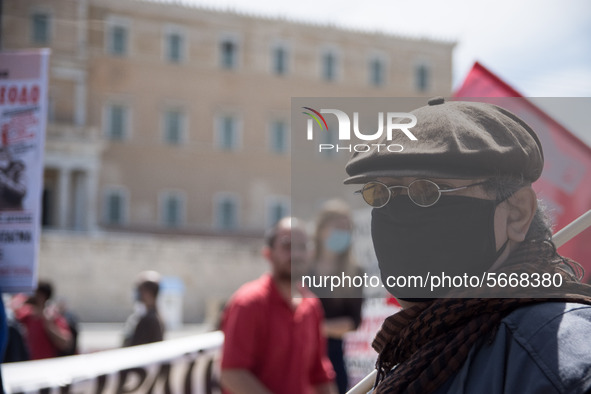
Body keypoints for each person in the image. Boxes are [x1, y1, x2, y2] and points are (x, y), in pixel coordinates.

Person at [343, 97, 591, 393]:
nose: (398, 215)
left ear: (517, 212)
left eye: (429, 191)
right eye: (379, 193)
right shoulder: (419, 350)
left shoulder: (561, 363)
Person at [220, 217, 337, 394]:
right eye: (287, 246)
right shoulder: (248, 303)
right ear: (268, 253)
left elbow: (319, 374)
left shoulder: (312, 306)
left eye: (302, 247)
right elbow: (232, 373)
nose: (296, 254)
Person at [310, 200, 363, 393]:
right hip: (298, 357)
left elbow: (353, 322)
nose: (344, 233)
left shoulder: (354, 272)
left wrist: (310, 326)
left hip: (333, 361)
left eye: (347, 228)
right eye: (339, 227)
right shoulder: (301, 268)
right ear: (322, 229)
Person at [14, 280, 73, 360]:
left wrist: (49, 326)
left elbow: (66, 343)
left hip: (46, 365)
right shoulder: (27, 316)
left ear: (41, 296)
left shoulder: (53, 317)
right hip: (28, 365)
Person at [122, 271, 165, 347]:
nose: (138, 293)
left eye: (140, 289)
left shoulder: (149, 320)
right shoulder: (153, 316)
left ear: (148, 293)